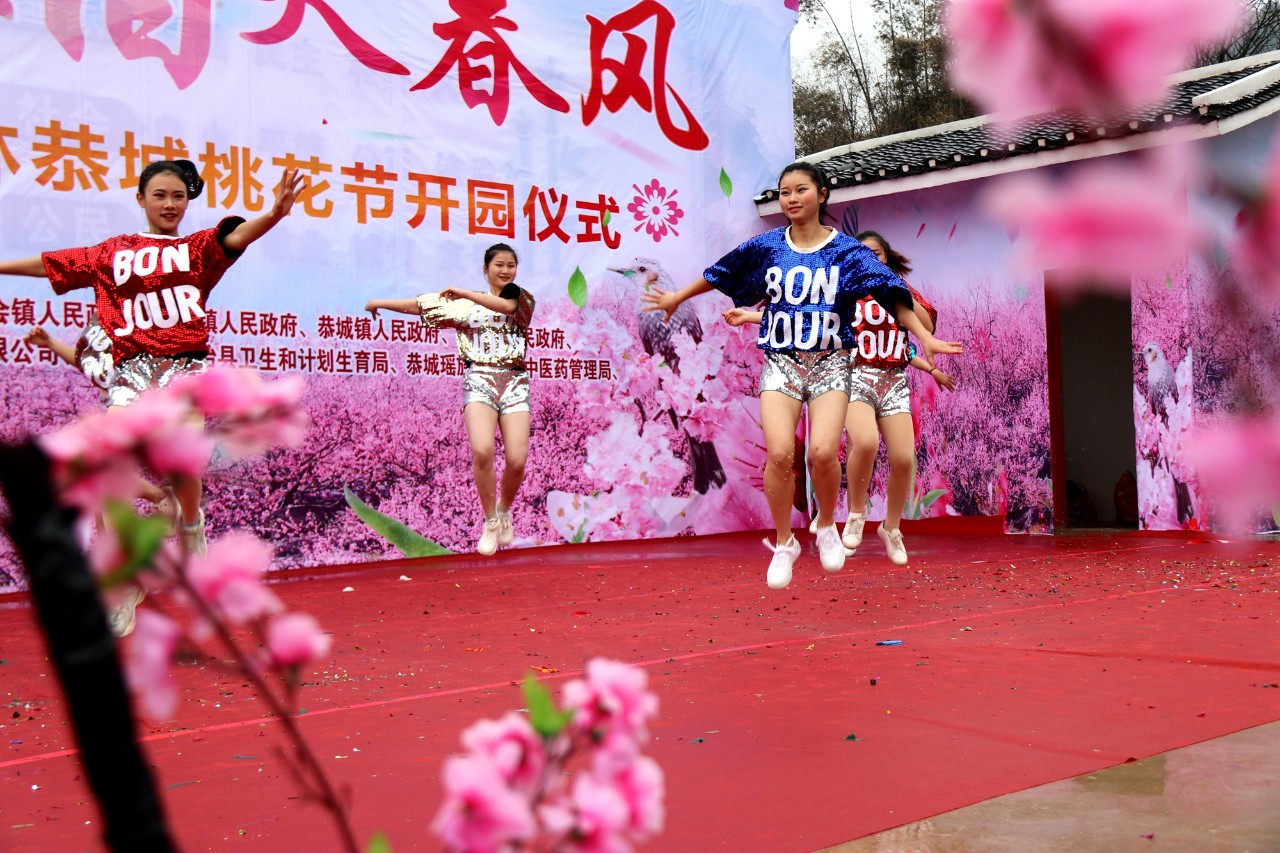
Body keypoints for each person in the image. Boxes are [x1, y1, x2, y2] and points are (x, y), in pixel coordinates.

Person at [642, 162, 961, 589]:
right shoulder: (769, 246)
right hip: (782, 362)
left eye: (800, 190)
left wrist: (925, 336)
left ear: (822, 194)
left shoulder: (849, 252)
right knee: (778, 455)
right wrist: (677, 296)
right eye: (784, 192)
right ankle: (785, 542)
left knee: (823, 454)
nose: (791, 198)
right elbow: (720, 271)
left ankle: (827, 523)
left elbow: (895, 297)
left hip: (831, 363)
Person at [0, 159, 307, 558]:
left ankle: (191, 524)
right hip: (131, 371)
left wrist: (274, 215)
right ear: (140, 198)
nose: (169, 204)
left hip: (184, 369)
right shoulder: (113, 252)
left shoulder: (196, 250)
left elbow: (238, 236)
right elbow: (49, 264)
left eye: (178, 196)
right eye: (159, 195)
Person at [365, 243, 535, 556]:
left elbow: (506, 309)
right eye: (499, 264)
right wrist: (379, 302)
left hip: (514, 382)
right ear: (486, 269)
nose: (506, 270)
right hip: (479, 380)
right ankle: (490, 521)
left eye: (511, 264)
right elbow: (421, 306)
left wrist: (465, 293)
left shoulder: (520, 298)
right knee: (482, 451)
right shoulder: (463, 307)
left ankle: (505, 509)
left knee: (516, 459)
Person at [837, 230, 955, 566]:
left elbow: (926, 326)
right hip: (855, 376)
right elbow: (808, 316)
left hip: (893, 381)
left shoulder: (898, 291)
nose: (870, 258)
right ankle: (856, 513)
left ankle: (891, 528)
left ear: (886, 257)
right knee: (866, 442)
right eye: (863, 254)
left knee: (904, 459)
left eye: (876, 253)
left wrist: (895, 286)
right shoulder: (844, 289)